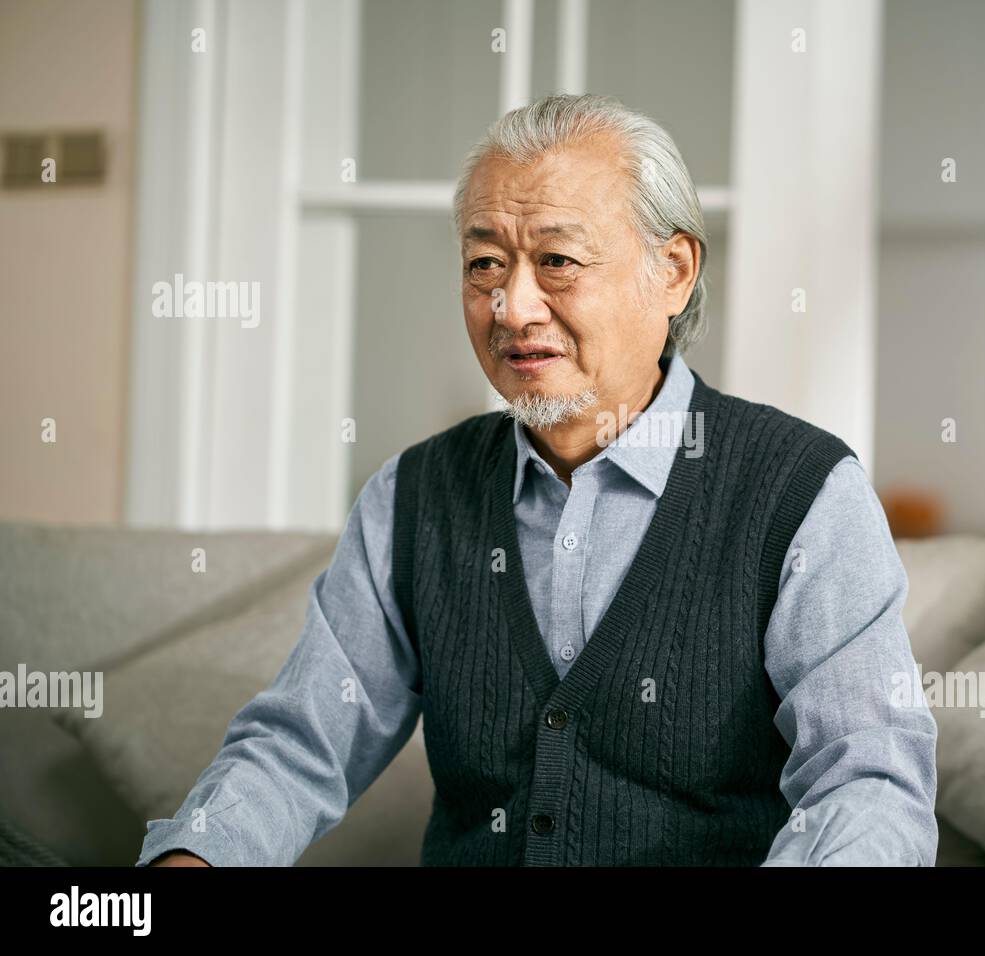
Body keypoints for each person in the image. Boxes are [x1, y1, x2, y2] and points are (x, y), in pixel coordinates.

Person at [142, 93, 938, 867]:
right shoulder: (413, 496)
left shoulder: (800, 492)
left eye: (556, 261)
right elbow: (301, 744)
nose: (511, 305)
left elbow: (867, 785)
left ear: (673, 270)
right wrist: (196, 857)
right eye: (484, 262)